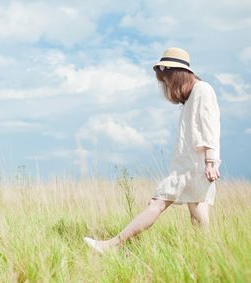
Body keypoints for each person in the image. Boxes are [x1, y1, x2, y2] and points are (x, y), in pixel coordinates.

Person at [84, 47, 221, 254]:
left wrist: (210, 162)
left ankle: (110, 246)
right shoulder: (191, 95)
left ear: (178, 74)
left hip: (196, 166)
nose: (166, 83)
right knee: (197, 213)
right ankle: (209, 255)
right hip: (188, 165)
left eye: (166, 78)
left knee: (157, 204)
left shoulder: (203, 90)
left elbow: (210, 126)